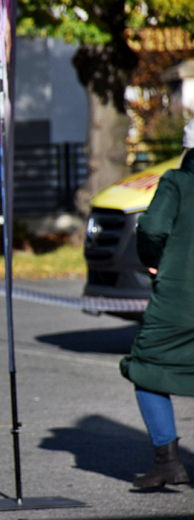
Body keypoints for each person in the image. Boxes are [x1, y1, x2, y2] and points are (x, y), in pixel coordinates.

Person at [120, 118, 194, 489]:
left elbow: (151, 229)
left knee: (147, 366)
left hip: (182, 295)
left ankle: (167, 461)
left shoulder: (177, 182)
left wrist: (154, 259)